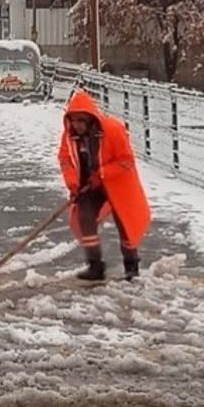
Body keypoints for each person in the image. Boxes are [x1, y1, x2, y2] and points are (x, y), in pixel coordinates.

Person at [58, 90, 151, 281]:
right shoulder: (70, 136)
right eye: (74, 120)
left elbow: (126, 161)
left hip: (118, 184)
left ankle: (131, 266)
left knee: (124, 223)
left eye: (81, 120)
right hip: (89, 186)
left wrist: (101, 174)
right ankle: (95, 266)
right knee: (85, 218)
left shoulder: (113, 129)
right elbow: (65, 159)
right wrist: (73, 184)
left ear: (91, 119)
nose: (77, 125)